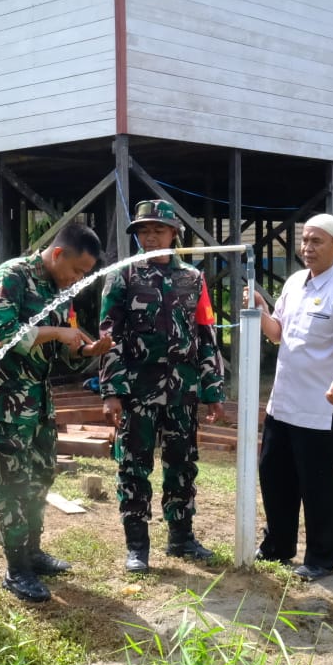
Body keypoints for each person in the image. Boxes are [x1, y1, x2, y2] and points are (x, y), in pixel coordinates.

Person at [0, 223, 113, 602]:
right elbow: (4, 335)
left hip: (37, 399)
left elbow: (62, 358)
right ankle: (16, 569)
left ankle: (33, 552)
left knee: (41, 474)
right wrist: (57, 333)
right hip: (4, 400)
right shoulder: (11, 277)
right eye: (77, 271)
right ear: (57, 255)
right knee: (11, 483)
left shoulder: (59, 292)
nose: (78, 279)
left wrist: (86, 351)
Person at [98, 200, 225, 574]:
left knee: (182, 465)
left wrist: (213, 389)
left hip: (182, 389)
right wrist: (112, 390)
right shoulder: (121, 276)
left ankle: (181, 537)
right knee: (133, 465)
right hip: (138, 388)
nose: (150, 237)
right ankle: (137, 546)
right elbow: (110, 336)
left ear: (174, 233)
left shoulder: (193, 279)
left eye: (158, 230)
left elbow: (206, 334)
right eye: (143, 231)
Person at [246, 213, 333, 580]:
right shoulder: (296, 282)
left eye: (317, 241)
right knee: (274, 475)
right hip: (282, 404)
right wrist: (260, 310)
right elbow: (277, 333)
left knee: (317, 485)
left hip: (319, 409)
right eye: (305, 240)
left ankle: (320, 557)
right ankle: (278, 546)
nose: (308, 248)